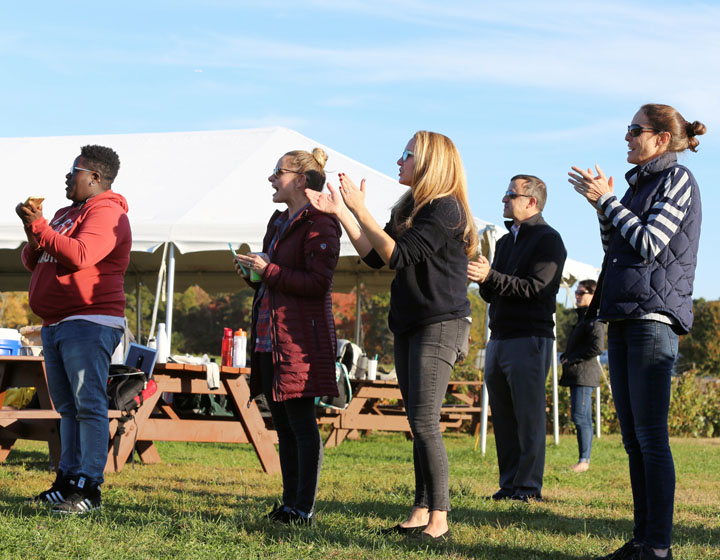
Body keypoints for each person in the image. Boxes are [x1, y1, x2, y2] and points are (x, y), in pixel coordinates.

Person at [306, 130, 476, 541]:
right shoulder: (410, 205)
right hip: (410, 322)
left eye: (407, 155)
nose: (399, 161)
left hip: (442, 322)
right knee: (419, 423)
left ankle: (440, 519)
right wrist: (342, 213)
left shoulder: (446, 209)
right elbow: (374, 256)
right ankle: (421, 511)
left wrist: (361, 209)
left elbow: (400, 254)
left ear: (430, 162)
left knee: (425, 421)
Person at [569, 104, 705, 560]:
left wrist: (609, 202)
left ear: (662, 139)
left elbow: (649, 242)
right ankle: (643, 539)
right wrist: (602, 208)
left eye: (635, 130)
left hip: (653, 319)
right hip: (625, 314)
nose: (626, 137)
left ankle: (659, 545)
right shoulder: (639, 184)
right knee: (632, 439)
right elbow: (617, 247)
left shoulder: (677, 180)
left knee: (650, 436)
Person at [16, 145, 130, 514]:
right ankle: (67, 480)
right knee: (67, 408)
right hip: (57, 322)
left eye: (75, 170)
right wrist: (33, 227)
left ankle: (88, 487)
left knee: (87, 406)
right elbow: (34, 259)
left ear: (95, 177)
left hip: (89, 320)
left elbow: (80, 255)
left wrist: (41, 227)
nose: (68, 176)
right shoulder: (68, 213)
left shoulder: (108, 212)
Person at [234, 147, 341, 526]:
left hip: (299, 340)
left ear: (299, 180)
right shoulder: (279, 222)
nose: (270, 179)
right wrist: (253, 274)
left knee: (300, 422)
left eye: (276, 172)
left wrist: (272, 269)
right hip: (270, 336)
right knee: (283, 423)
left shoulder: (321, 224)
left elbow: (318, 284)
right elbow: (273, 282)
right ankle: (289, 504)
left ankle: (303, 508)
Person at [468, 175, 566, 503]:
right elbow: (494, 291)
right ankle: (509, 484)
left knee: (528, 418)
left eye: (511, 195)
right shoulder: (505, 242)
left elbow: (534, 289)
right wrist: (484, 277)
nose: (504, 200)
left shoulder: (548, 240)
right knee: (505, 420)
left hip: (530, 338)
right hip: (499, 338)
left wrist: (491, 276)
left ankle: (527, 490)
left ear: (531, 202)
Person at [559, 279, 605, 473]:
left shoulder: (595, 320)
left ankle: (584, 461)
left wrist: (571, 358)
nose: (577, 296)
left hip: (584, 375)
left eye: (581, 292)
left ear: (592, 295)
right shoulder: (583, 318)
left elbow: (597, 347)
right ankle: (583, 459)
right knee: (580, 416)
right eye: (576, 292)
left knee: (581, 417)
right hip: (577, 374)